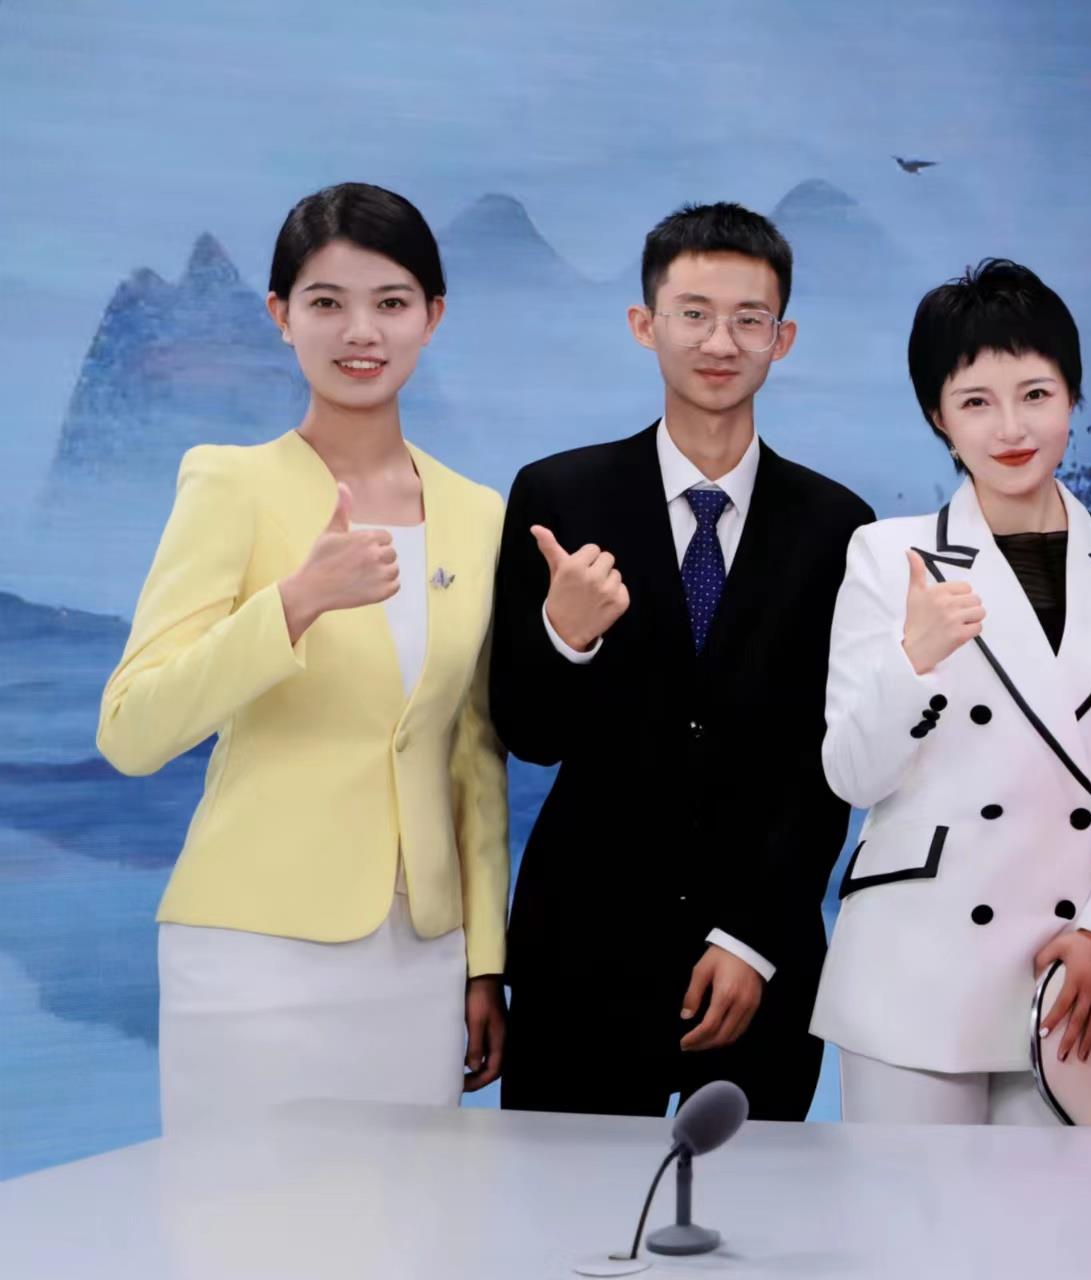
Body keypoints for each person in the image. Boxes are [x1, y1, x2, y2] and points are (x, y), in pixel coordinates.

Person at [98, 182, 508, 1128]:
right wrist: (292, 605)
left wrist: (484, 959)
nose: (360, 331)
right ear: (281, 316)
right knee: (239, 1210)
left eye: (391, 302)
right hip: (253, 949)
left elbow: (471, 755)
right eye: (327, 302)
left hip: (420, 956)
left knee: (413, 1211)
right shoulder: (229, 484)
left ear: (433, 316)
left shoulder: (478, 513)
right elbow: (130, 730)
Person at [488, 202, 871, 1120]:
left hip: (760, 962)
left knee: (756, 1204)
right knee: (556, 1202)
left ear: (782, 338)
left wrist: (755, 936)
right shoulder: (558, 496)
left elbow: (829, 763)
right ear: (644, 323)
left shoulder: (837, 526)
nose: (719, 342)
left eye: (748, 319)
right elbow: (526, 733)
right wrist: (565, 633)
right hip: (581, 947)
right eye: (693, 313)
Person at [815, 259, 1091, 1123]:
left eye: (1036, 394)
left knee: (1067, 1210)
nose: (1012, 428)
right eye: (976, 401)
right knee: (909, 1209)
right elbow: (850, 776)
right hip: (919, 960)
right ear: (937, 418)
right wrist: (914, 659)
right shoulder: (888, 554)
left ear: (1073, 398)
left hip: (1077, 966)